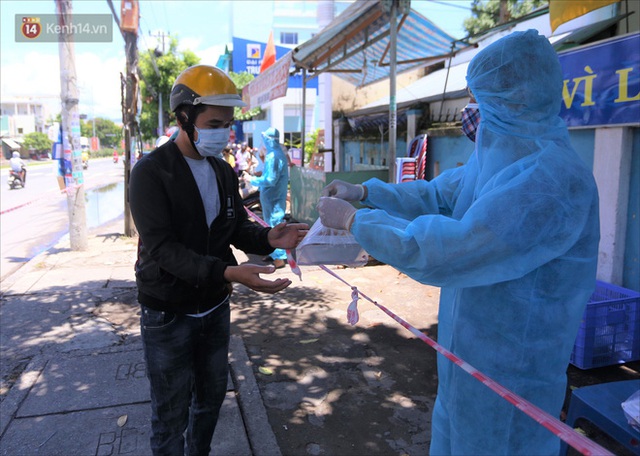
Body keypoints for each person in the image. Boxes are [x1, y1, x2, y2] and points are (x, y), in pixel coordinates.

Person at [318, 30, 599, 455]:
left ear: (512, 101)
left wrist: (359, 223)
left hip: (512, 377)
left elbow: (449, 250)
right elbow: (438, 195)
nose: (471, 113)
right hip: (465, 365)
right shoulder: (499, 160)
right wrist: (367, 193)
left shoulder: (552, 182)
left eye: (478, 100)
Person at [129, 64, 308, 456]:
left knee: (210, 402)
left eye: (228, 123)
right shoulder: (150, 173)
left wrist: (267, 236)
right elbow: (163, 250)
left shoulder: (223, 171)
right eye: (214, 122)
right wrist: (230, 272)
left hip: (214, 305)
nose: (223, 133)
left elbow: (235, 225)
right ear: (183, 117)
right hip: (168, 312)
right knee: (170, 415)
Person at [250, 128, 290, 269]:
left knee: (275, 226)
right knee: (269, 226)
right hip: (272, 198)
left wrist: (253, 180)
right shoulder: (275, 154)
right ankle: (273, 254)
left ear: (268, 139)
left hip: (273, 198)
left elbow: (270, 180)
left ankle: (279, 258)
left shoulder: (273, 156)